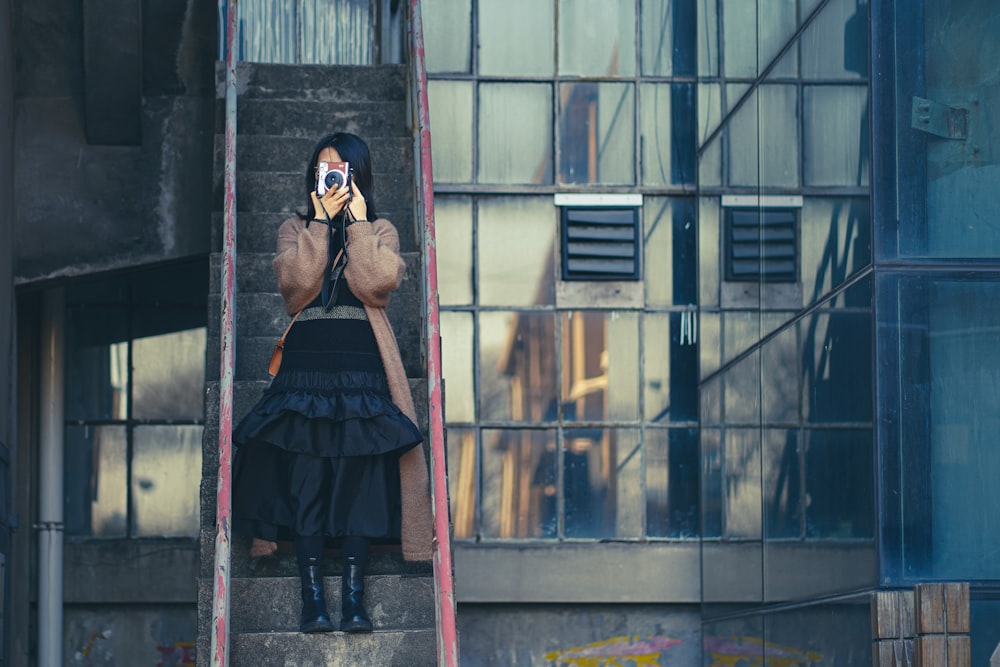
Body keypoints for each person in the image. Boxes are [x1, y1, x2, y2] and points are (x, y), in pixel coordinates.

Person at [231, 132, 433, 634]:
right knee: (307, 484)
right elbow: (296, 289)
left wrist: (357, 224)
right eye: (323, 170)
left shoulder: (379, 229)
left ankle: (355, 600)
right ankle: (312, 600)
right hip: (305, 375)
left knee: (359, 484)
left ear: (358, 174)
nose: (332, 178)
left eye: (340, 169)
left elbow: (375, 285)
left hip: (363, 373)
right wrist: (321, 222)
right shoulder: (295, 228)